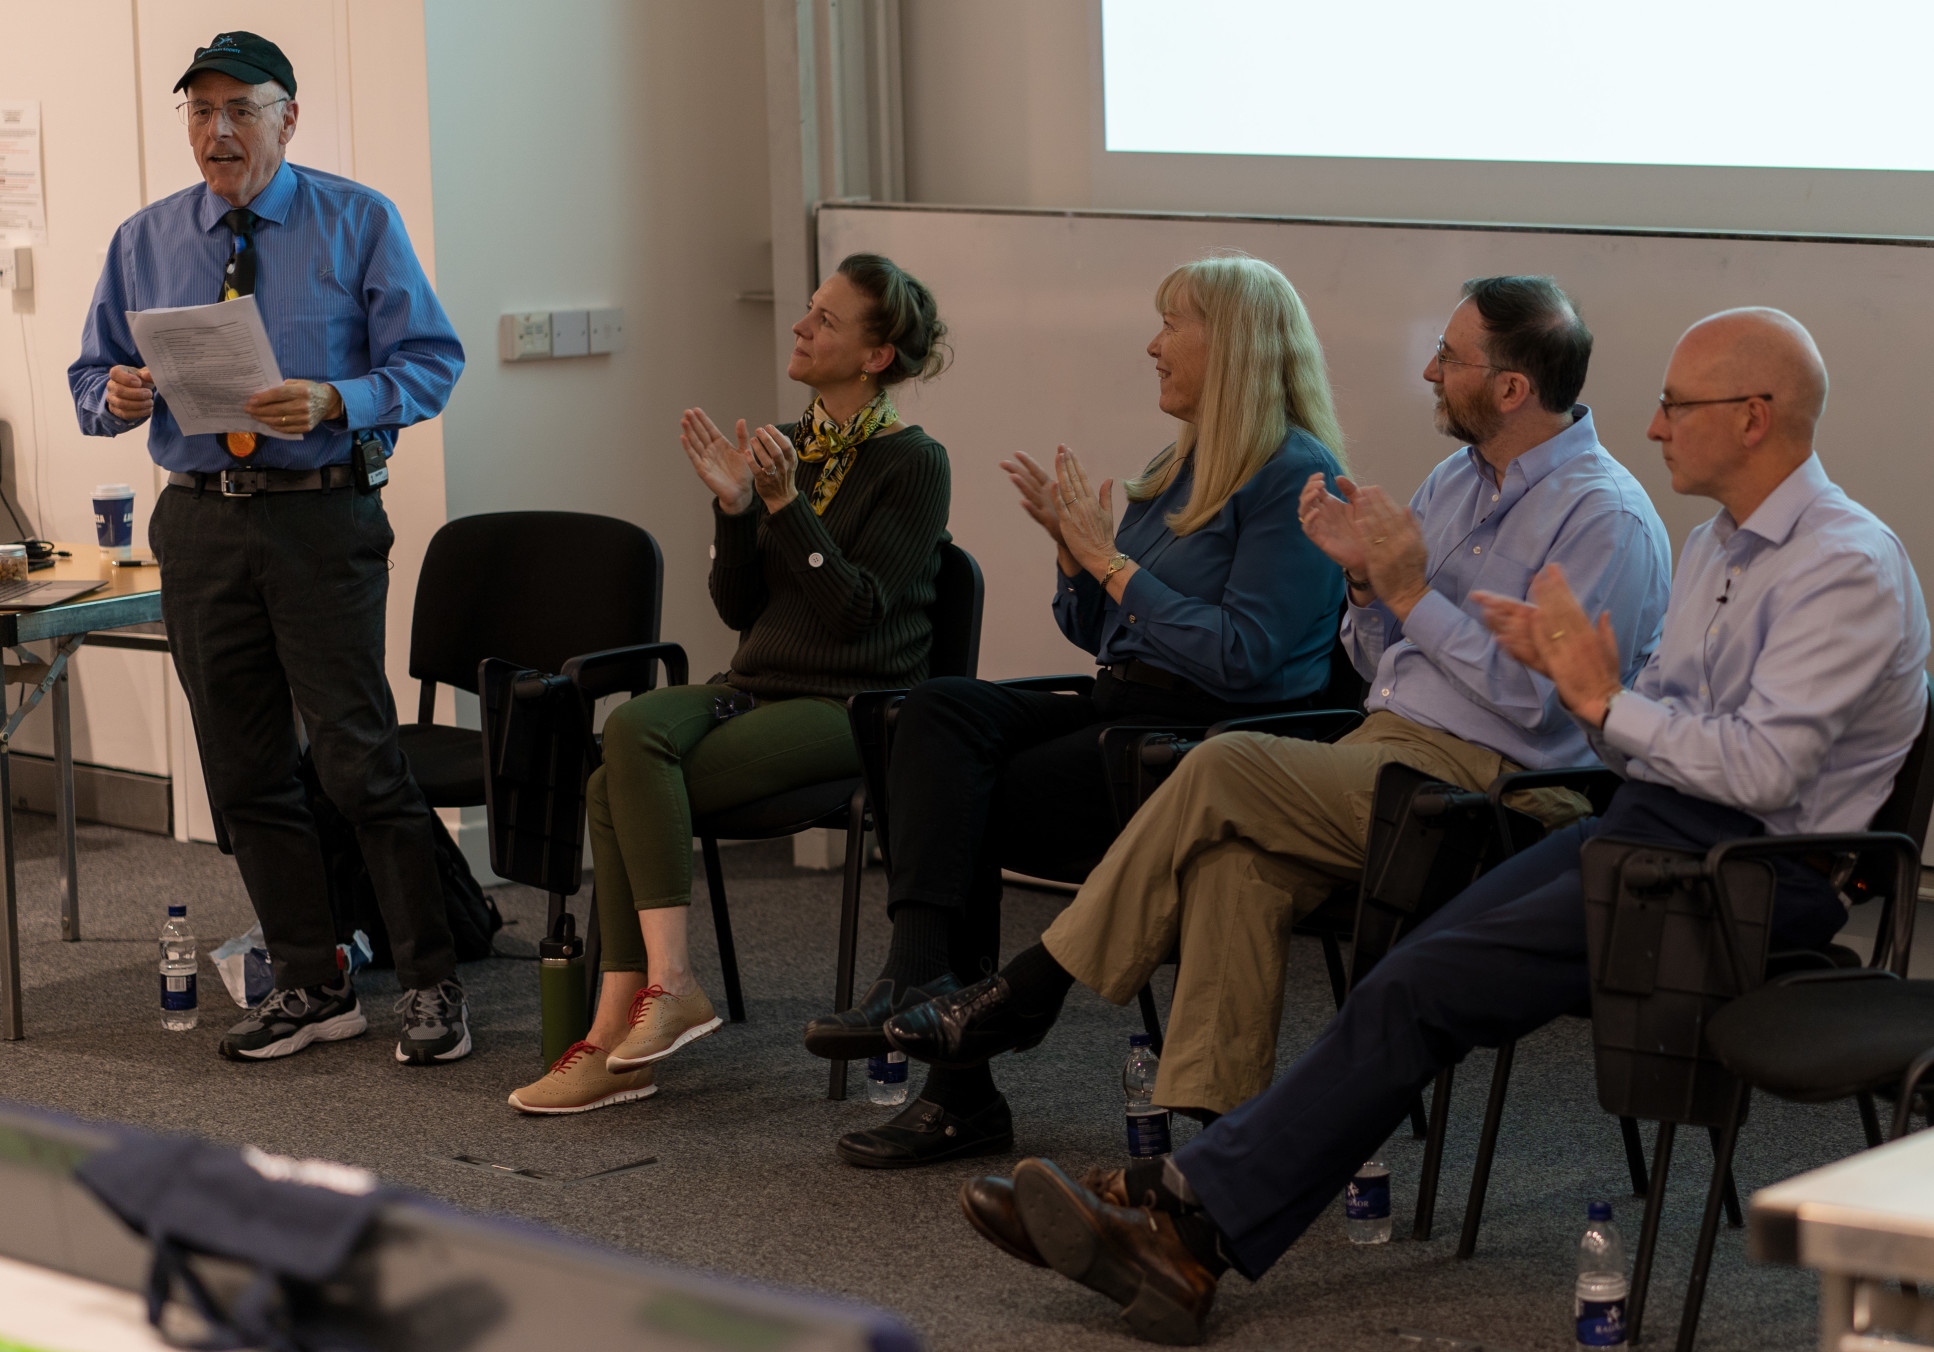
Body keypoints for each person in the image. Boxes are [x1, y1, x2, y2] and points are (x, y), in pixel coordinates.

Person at [958, 307, 1930, 1346]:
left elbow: (1763, 770)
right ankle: (1189, 1207)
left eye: (1675, 405)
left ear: (1752, 416)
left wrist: (1599, 702)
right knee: (1409, 968)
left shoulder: (1842, 565)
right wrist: (1587, 691)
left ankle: (1183, 1226)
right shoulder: (1713, 544)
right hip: (1654, 825)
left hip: (1748, 872)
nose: (1652, 425)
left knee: (1417, 982)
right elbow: (1657, 732)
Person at [883, 275, 1675, 1122]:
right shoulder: (1453, 483)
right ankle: (1208, 1164)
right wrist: (1367, 593)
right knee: (1233, 863)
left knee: (1220, 766)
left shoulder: (1605, 519)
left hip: (1498, 794)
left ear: (1512, 388)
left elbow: (1548, 709)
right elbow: (1380, 666)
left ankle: (1029, 991)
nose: (1429, 374)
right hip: (1381, 752)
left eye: (1449, 357)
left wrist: (1408, 597)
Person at [802, 254, 1353, 1169]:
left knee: (962, 799)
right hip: (1124, 707)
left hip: (1206, 742)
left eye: (1173, 325)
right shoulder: (1178, 465)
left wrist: (1112, 566)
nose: (1153, 344)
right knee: (934, 713)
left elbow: (1251, 660)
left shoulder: (1294, 473)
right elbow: (1100, 632)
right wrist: (1073, 558)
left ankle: (959, 1090)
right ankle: (918, 975)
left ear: (1236, 347)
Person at [67, 33, 468, 1066]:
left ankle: (430, 980)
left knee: (355, 757)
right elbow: (90, 377)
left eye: (241, 109)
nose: (219, 132)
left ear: (289, 118)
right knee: (242, 766)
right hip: (199, 520)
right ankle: (311, 978)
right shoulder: (146, 237)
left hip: (318, 513)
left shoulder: (356, 219)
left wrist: (340, 396)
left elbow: (433, 361)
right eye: (200, 113)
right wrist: (108, 395)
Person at [508, 253, 952, 1114]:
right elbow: (738, 605)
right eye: (809, 310)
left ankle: (616, 1038)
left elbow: (854, 614)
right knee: (630, 734)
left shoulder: (913, 464)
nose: (800, 325)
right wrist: (737, 511)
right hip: (755, 684)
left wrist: (787, 509)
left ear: (875, 356)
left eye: (825, 318)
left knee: (615, 787)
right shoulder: (794, 449)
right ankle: (651, 1001)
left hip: (854, 705)